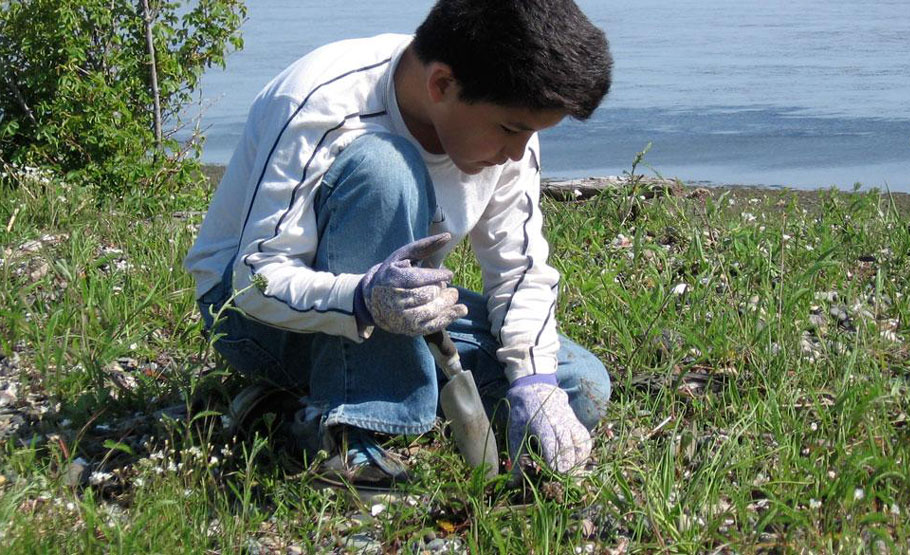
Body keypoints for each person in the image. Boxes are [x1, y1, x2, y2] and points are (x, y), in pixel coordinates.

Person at [184, 0, 613, 487]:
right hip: (250, 317)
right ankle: (351, 434)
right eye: (512, 130)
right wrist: (363, 300)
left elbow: (519, 270)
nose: (518, 152)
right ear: (442, 85)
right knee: (385, 167)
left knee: (581, 384)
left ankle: (292, 409)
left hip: (394, 308)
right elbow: (254, 281)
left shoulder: (507, 121)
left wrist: (534, 383)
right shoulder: (324, 102)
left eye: (530, 133)